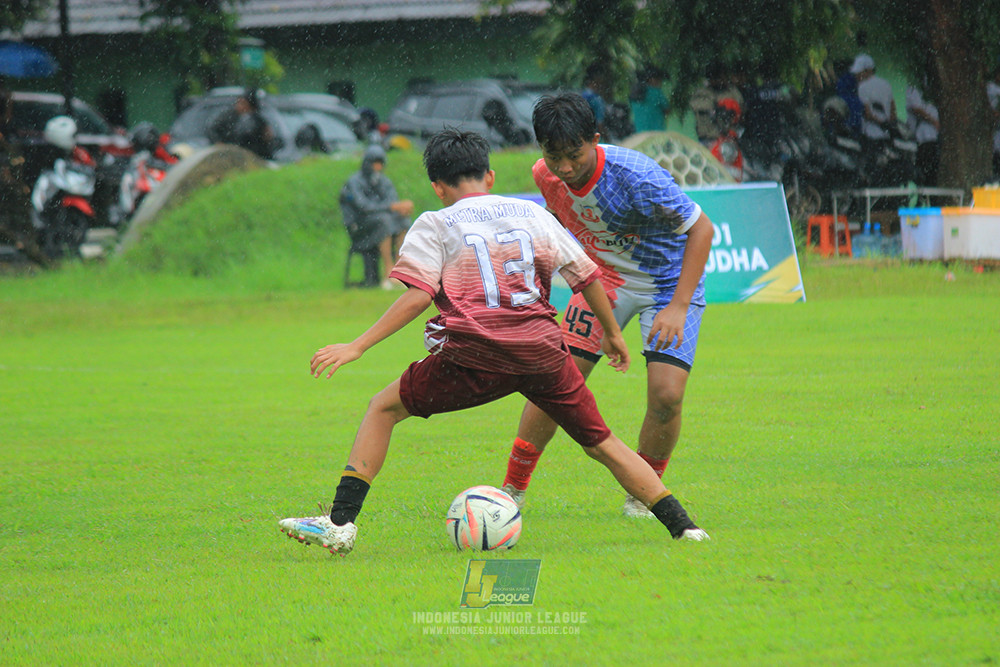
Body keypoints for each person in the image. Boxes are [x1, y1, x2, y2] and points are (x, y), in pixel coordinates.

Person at [277, 129, 708, 555]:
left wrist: (358, 345)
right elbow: (588, 276)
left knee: (383, 408)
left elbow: (418, 295)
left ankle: (339, 523)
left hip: (474, 358)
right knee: (604, 444)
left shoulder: (436, 223)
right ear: (490, 176)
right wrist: (613, 334)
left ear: (438, 187)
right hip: (542, 353)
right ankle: (684, 529)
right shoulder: (533, 213)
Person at [499, 92, 715, 521]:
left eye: (574, 154)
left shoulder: (636, 175)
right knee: (555, 382)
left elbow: (702, 229)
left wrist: (677, 306)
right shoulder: (546, 175)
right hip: (603, 283)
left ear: (594, 139)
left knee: (667, 395)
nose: (563, 167)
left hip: (665, 284)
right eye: (552, 154)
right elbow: (559, 224)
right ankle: (511, 491)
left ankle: (644, 493)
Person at [339, 144, 414, 289]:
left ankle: (400, 270)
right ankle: (388, 269)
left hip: (380, 224)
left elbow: (392, 200)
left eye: (380, 164)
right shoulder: (354, 182)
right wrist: (391, 207)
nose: (378, 167)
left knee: (403, 220)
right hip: (360, 229)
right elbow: (363, 207)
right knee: (384, 222)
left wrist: (401, 208)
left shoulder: (383, 181)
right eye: (375, 163)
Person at [852, 54, 897, 171]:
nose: (857, 76)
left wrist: (880, 122)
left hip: (871, 136)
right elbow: (893, 109)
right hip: (886, 136)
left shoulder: (862, 87)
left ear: (867, 71)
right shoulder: (886, 84)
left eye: (859, 72)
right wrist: (888, 125)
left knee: (872, 167)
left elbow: (867, 113)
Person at [207, 89, 275, 160]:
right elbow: (212, 130)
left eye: (243, 103)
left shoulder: (258, 120)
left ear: (251, 105)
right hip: (231, 155)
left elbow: (267, 140)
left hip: (253, 157)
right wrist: (218, 142)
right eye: (238, 102)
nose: (239, 105)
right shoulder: (228, 117)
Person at [690, 62, 744, 145]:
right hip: (708, 140)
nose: (721, 80)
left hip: (729, 141)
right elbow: (697, 105)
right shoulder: (703, 93)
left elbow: (740, 107)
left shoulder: (732, 92)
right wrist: (717, 107)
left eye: (723, 77)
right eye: (718, 78)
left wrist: (731, 109)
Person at [905, 84, 940, 186]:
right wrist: (934, 122)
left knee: (933, 173)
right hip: (923, 140)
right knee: (926, 172)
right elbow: (916, 109)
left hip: (934, 139)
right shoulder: (913, 89)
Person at [629, 66, 671, 133]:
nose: (661, 83)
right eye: (659, 80)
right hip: (656, 132)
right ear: (652, 79)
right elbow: (667, 110)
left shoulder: (635, 93)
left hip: (639, 133)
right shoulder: (656, 92)